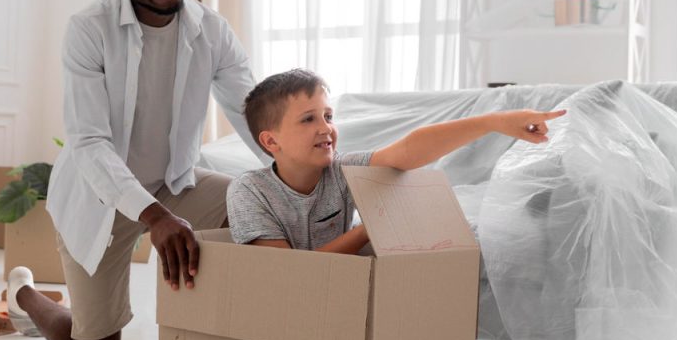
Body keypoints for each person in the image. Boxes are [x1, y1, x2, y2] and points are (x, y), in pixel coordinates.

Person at [6, 0, 259, 340]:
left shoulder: (213, 30)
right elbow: (89, 143)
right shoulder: (89, 30)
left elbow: (252, 113)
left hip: (174, 183)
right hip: (100, 198)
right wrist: (155, 217)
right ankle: (24, 296)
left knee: (260, 206)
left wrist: (299, 169)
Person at [227, 69, 566, 254]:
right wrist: (366, 232)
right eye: (308, 120)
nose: (326, 128)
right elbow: (286, 275)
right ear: (271, 141)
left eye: (328, 116)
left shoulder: (340, 170)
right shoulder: (250, 190)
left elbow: (405, 152)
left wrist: (493, 122)